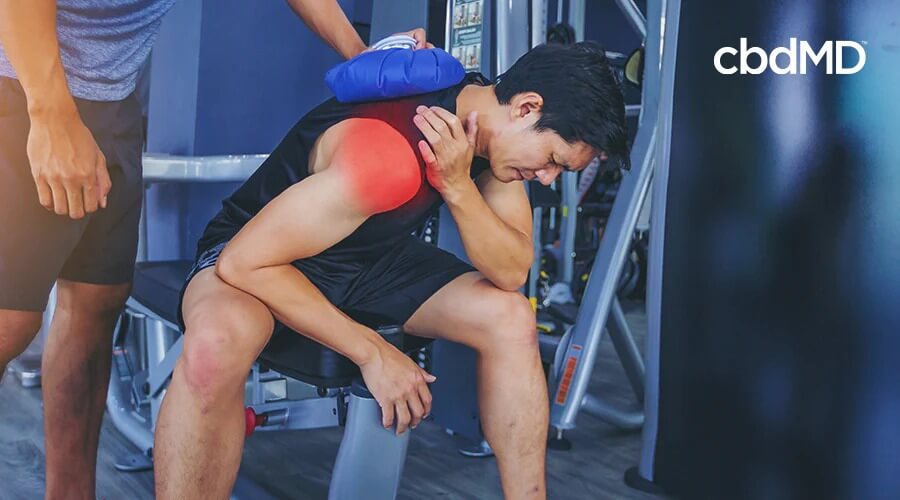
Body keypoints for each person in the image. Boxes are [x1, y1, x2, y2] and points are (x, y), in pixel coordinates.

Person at [161, 41, 628, 499]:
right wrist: (373, 354)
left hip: (366, 260)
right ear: (527, 108)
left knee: (509, 317)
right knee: (215, 345)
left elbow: (511, 272)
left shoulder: (487, 145)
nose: (546, 178)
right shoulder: (389, 155)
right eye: (552, 161)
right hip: (263, 252)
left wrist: (459, 188)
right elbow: (244, 262)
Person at [0, 1, 427, 498]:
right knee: (10, 320)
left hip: (112, 102)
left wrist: (363, 58)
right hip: (24, 88)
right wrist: (50, 117)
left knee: (95, 305)